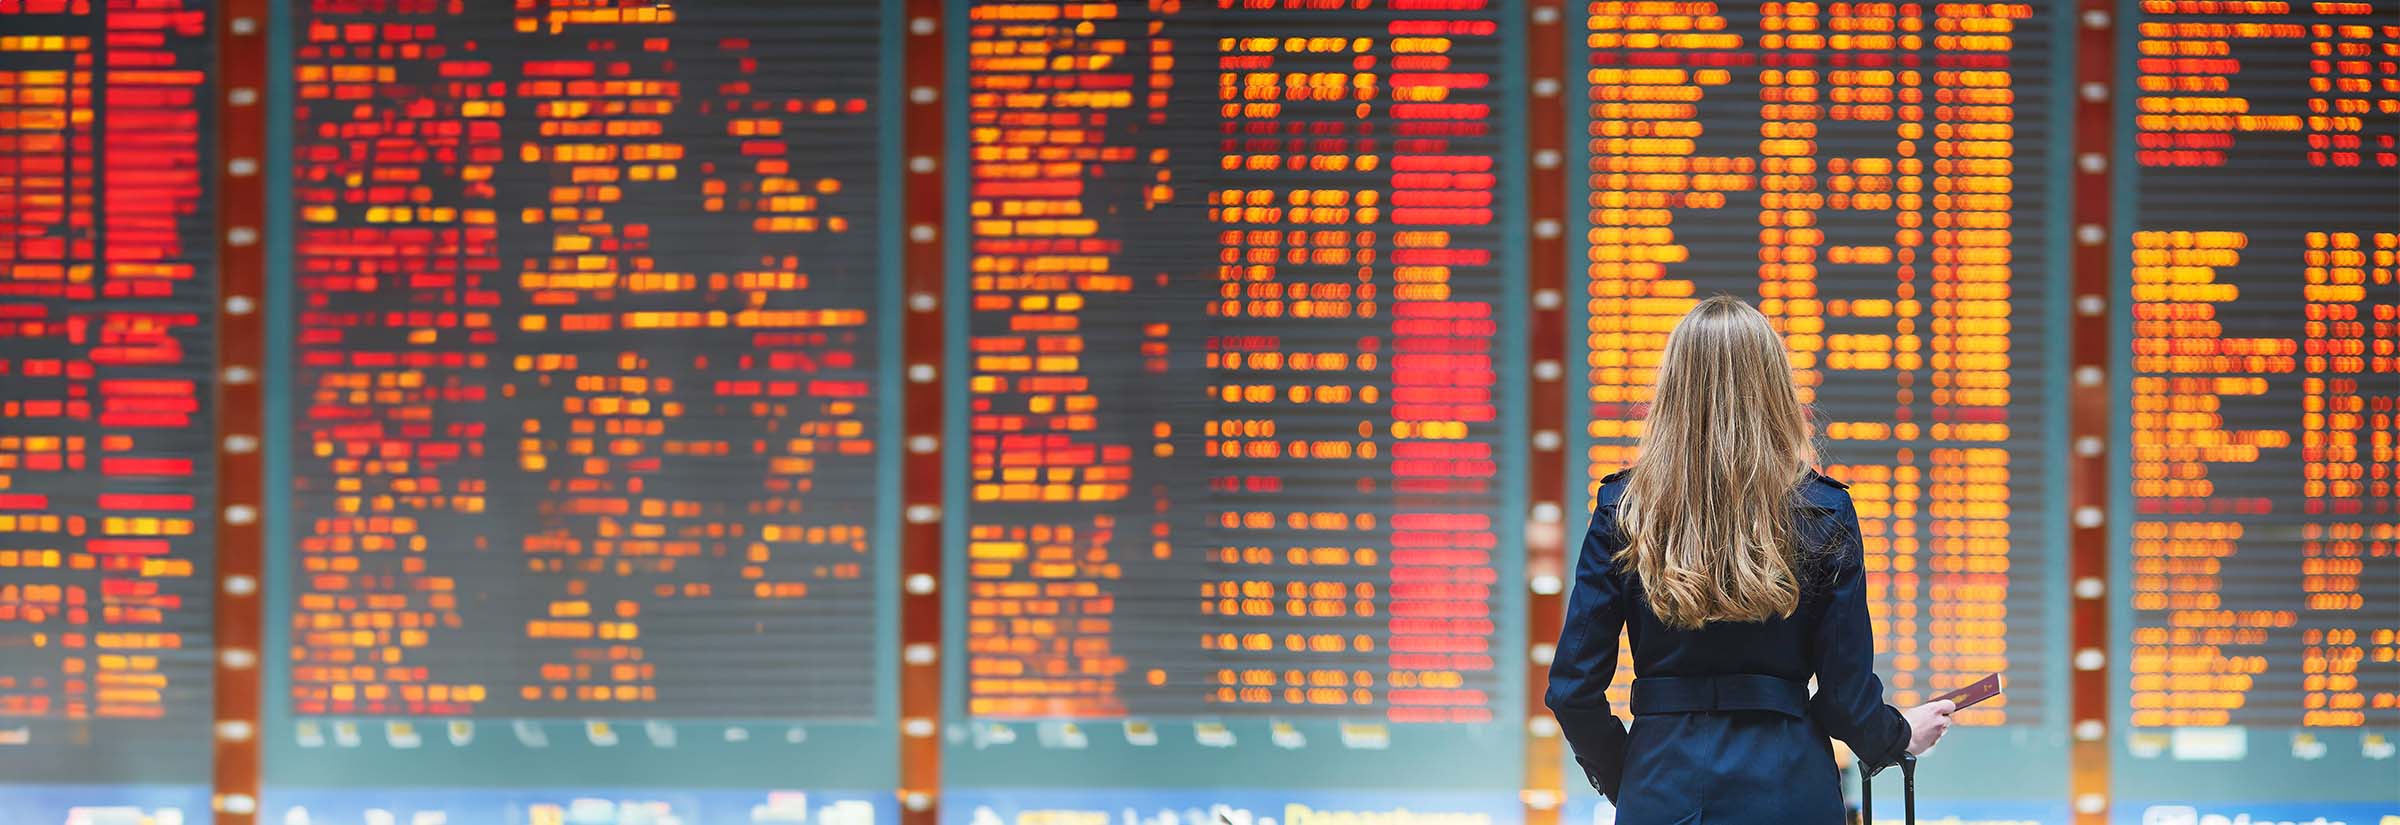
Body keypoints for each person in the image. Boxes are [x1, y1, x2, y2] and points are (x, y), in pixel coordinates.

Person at [1546, 296, 1955, 823]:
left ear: (1671, 391)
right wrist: (1898, 734)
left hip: (1660, 787)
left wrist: (1634, 779)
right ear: (1775, 389)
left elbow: (1573, 690)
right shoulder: (1824, 510)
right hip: (1790, 791)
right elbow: (1844, 695)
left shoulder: (1624, 508)